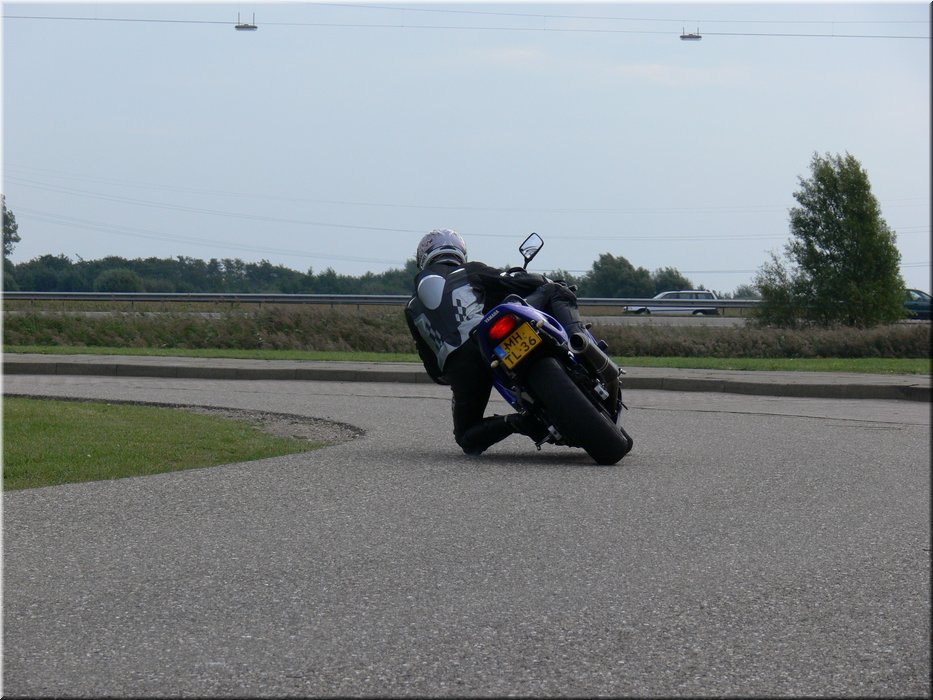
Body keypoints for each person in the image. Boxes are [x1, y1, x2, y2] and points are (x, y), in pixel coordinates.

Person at [404, 228, 603, 456]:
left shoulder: (411, 307)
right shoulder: (469, 270)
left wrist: (452, 375)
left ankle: (519, 422)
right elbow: (512, 280)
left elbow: (430, 362)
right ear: (459, 252)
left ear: (423, 257)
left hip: (461, 364)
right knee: (555, 290)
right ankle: (579, 342)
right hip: (487, 335)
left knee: (467, 437)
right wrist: (546, 281)